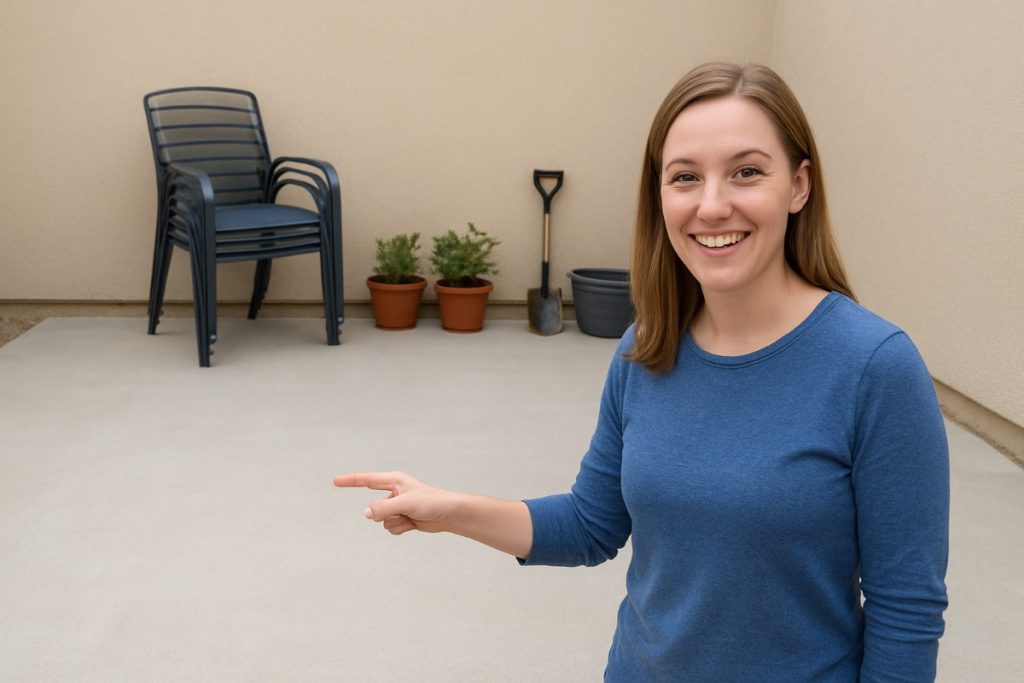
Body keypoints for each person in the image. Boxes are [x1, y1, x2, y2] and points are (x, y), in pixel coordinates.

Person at [334, 62, 949, 681]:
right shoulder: (646, 348)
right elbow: (588, 525)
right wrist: (450, 509)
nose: (712, 206)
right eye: (685, 177)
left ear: (799, 185)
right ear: (659, 197)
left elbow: (906, 612)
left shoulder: (875, 367)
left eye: (747, 172)